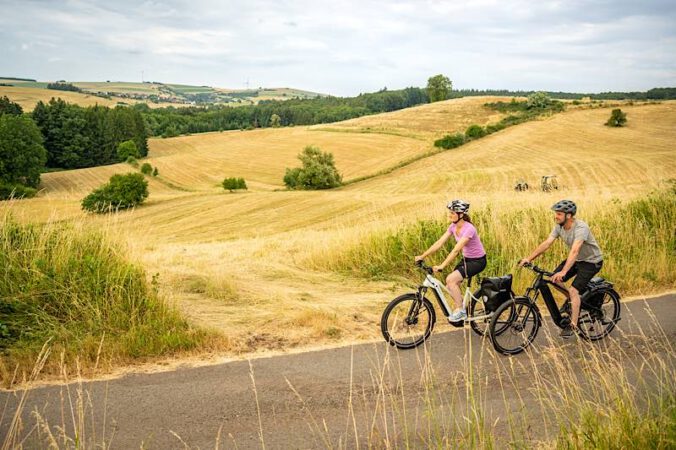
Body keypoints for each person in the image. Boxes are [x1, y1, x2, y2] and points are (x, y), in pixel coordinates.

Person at [519, 200, 604, 338]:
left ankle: (573, 325)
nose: (556, 216)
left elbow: (575, 250)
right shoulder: (559, 227)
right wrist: (529, 258)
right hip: (578, 260)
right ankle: (572, 302)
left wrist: (564, 271)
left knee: (573, 290)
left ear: (569, 216)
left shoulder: (581, 228)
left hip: (592, 262)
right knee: (554, 279)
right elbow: (547, 243)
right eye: (556, 214)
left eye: (559, 214)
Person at [415, 199, 487, 322]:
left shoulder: (469, 229)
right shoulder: (453, 227)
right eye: (450, 212)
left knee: (450, 279)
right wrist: (423, 256)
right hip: (467, 259)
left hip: (478, 261)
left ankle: (461, 311)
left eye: (453, 213)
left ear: (461, 215)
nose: (450, 215)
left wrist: (442, 265)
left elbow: (456, 250)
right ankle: (463, 308)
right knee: (450, 285)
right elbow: (439, 243)